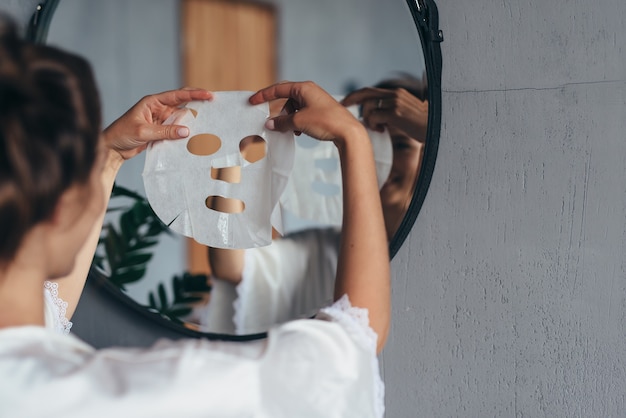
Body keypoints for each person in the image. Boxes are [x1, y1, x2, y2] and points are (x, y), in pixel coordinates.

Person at [0, 17, 388, 417]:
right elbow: (353, 343)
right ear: (63, 210)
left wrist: (109, 155)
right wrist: (351, 139)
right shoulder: (135, 392)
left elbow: (47, 309)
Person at [203, 75, 427, 334]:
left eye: (400, 146)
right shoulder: (323, 251)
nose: (384, 161)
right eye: (372, 146)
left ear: (425, 156)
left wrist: (427, 124)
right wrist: (236, 149)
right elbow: (232, 265)